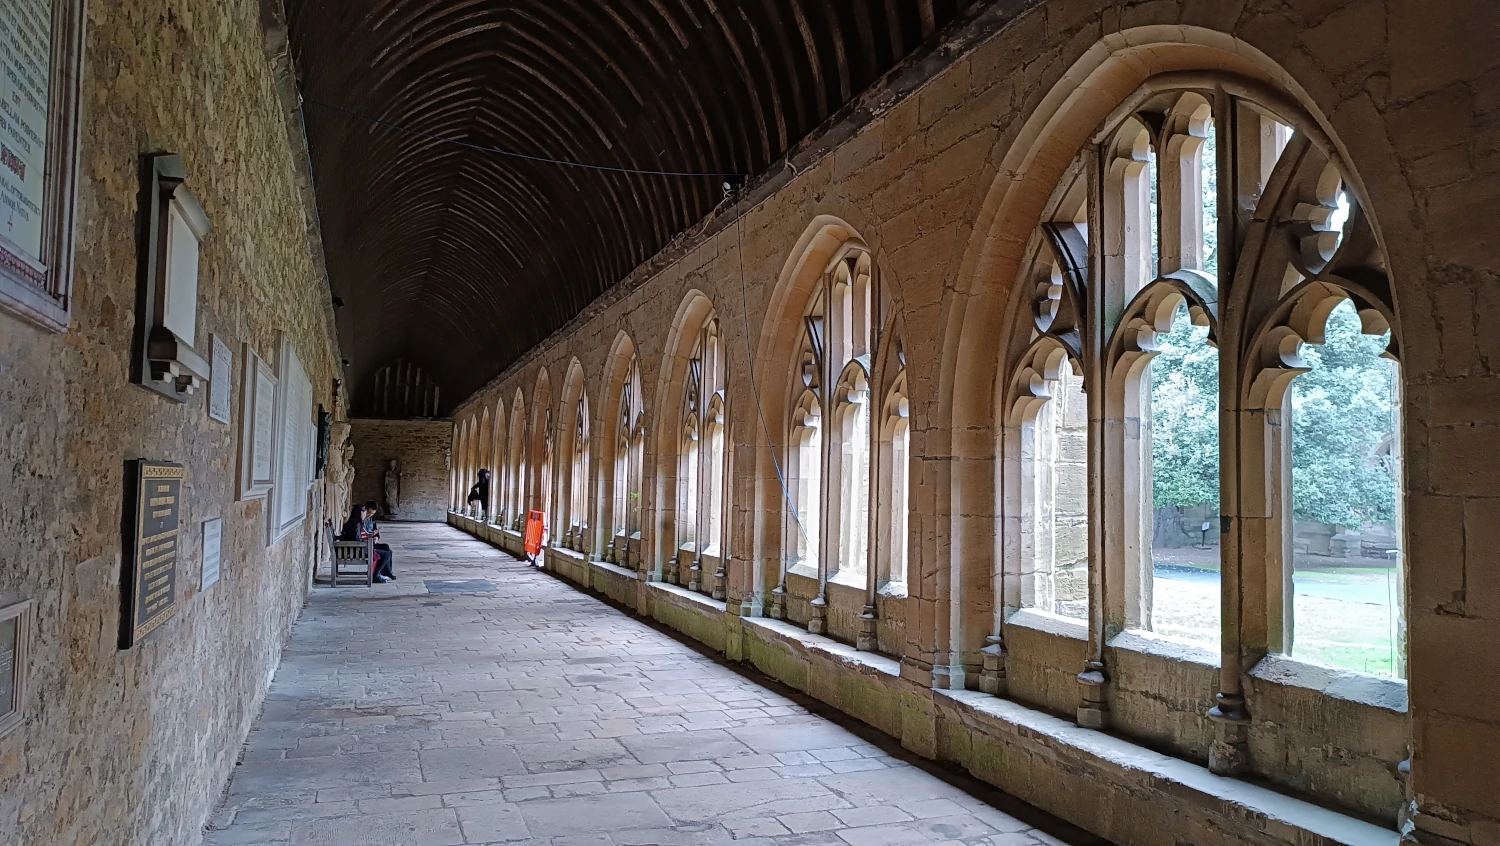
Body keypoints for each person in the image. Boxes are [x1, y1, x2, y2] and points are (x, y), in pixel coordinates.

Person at [340, 504, 394, 582]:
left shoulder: (356, 522)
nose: (366, 514)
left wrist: (371, 537)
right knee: (387, 554)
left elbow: (358, 537)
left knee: (386, 548)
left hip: (355, 548)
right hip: (356, 550)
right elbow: (358, 540)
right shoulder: (355, 524)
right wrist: (369, 541)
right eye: (365, 512)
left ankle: (384, 573)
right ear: (359, 513)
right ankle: (375, 576)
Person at [363, 501, 396, 581]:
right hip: (366, 545)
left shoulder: (372, 519)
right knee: (387, 554)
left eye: (372, 514)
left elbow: (375, 531)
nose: (370, 515)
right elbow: (361, 535)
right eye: (369, 513)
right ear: (365, 510)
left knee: (386, 547)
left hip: (371, 542)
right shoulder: (361, 519)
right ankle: (378, 573)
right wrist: (370, 536)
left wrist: (376, 537)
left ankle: (386, 572)